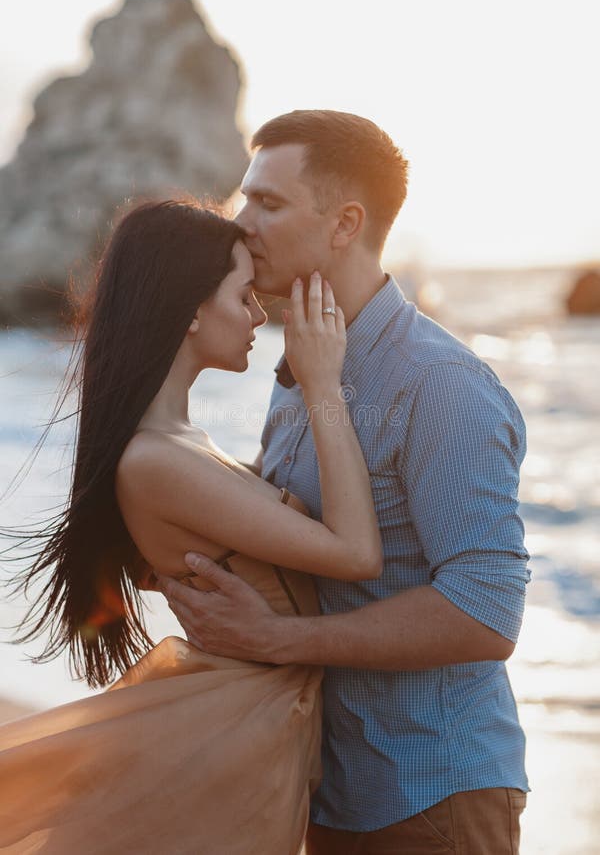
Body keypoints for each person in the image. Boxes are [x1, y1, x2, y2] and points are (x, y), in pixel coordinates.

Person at [161, 110, 531, 854]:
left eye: (268, 202)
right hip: (329, 786)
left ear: (345, 223)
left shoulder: (441, 385)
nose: (242, 224)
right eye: (243, 199)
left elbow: (487, 611)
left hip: (433, 792)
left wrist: (282, 640)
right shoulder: (303, 362)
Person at [0, 198, 384, 854]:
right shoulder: (157, 461)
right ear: (192, 310)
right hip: (231, 737)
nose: (261, 315)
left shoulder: (184, 443)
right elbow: (355, 553)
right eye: (244, 296)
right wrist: (322, 382)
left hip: (250, 726)